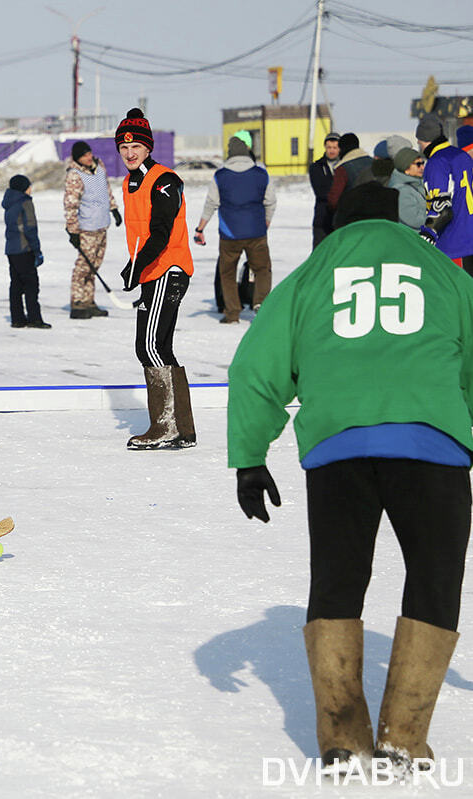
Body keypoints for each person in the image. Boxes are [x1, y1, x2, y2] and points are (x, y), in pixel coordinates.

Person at [228, 207, 471, 777]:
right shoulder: (441, 271)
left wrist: (249, 458)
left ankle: (343, 740)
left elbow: (255, 368)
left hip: (339, 445)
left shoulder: (313, 273)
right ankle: (404, 740)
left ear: (341, 224)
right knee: (435, 580)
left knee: (339, 579)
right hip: (432, 444)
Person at [115, 107, 196, 450]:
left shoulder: (165, 180)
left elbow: (161, 233)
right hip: (151, 270)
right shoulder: (129, 182)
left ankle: (165, 427)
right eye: (123, 147)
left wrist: (137, 266)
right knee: (158, 346)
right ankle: (181, 429)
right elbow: (139, 234)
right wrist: (134, 266)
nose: (130, 153)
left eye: (136, 147)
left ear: (148, 148)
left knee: (148, 346)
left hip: (169, 267)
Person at [194, 136, 277, 323]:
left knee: (228, 272)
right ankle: (261, 304)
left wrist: (200, 228)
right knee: (262, 269)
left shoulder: (220, 175)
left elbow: (211, 204)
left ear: (230, 153)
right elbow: (270, 201)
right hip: (256, 231)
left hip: (229, 233)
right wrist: (266, 222)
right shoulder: (261, 173)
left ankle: (232, 313)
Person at [63, 141, 122, 319]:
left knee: (94, 266)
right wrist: (73, 231)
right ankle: (78, 302)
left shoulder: (99, 166)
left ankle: (89, 301)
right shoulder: (75, 175)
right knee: (83, 266)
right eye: (84, 156)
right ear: (77, 158)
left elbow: (106, 190)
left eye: (89, 154)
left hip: (102, 225)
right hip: (87, 228)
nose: (88, 158)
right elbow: (71, 204)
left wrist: (114, 209)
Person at [415, 113, 473, 274]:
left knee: (458, 296)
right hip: (470, 235)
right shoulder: (461, 156)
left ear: (423, 139)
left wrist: (427, 235)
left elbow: (441, 209)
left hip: (455, 243)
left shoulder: (437, 162)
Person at [2, 174, 49, 329]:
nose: (30, 189)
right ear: (23, 188)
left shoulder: (9, 203)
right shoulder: (25, 202)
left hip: (11, 250)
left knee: (16, 284)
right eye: (29, 186)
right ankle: (35, 318)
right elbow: (30, 228)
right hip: (25, 249)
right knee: (31, 284)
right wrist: (37, 250)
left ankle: (17, 319)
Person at [308, 132, 341, 249]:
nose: (331, 151)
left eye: (335, 148)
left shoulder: (345, 166)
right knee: (319, 254)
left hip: (340, 219)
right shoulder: (316, 167)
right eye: (329, 147)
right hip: (322, 219)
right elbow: (321, 190)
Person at [326, 133, 372, 213]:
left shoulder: (342, 168)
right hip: (376, 215)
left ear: (343, 148)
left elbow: (333, 200)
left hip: (352, 217)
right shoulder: (374, 163)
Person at [388, 148, 427, 230]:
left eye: (423, 163)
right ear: (406, 167)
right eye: (418, 164)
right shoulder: (401, 191)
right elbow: (415, 220)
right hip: (414, 239)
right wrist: (438, 219)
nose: (422, 167)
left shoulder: (417, 184)